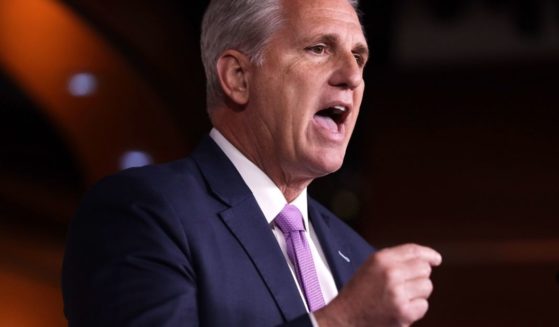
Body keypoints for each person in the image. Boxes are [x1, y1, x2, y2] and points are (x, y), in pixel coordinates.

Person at [62, 0, 442, 326]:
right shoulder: (143, 213)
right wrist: (339, 320)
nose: (353, 76)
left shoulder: (358, 257)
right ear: (238, 77)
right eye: (319, 48)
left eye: (359, 56)